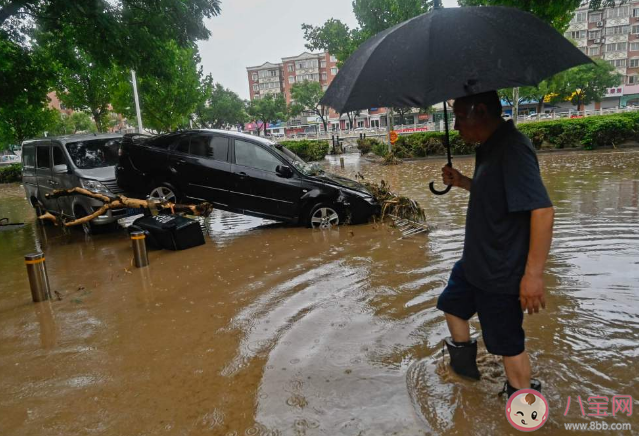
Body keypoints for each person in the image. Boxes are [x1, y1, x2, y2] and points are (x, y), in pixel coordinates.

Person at [436, 90, 555, 397]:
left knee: (506, 343)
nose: (457, 126)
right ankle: (466, 380)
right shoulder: (488, 147)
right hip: (475, 262)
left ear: (481, 111)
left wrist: (533, 276)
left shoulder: (513, 149)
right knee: (452, 305)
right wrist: (463, 182)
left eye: (461, 117)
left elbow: (542, 210)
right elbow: (495, 193)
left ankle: (521, 401)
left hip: (500, 269)